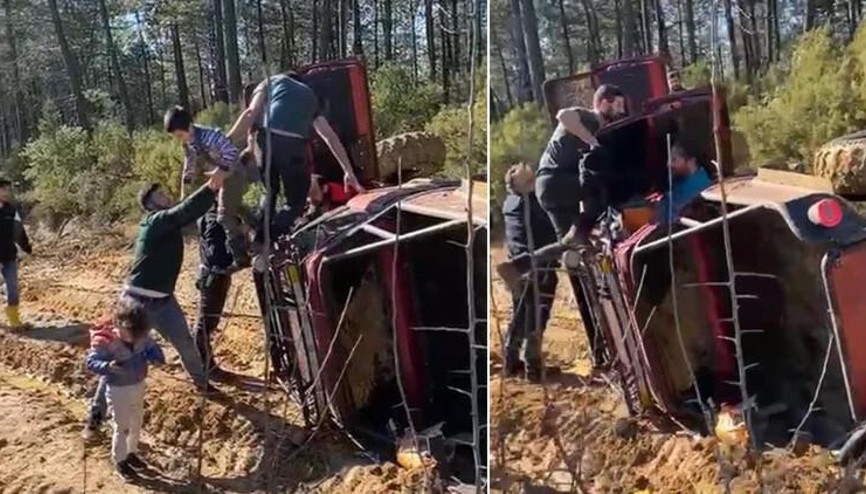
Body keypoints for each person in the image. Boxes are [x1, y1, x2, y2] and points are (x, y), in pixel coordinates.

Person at [84, 172, 223, 438]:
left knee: (185, 344)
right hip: (137, 303)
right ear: (149, 203)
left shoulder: (167, 221)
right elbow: (185, 210)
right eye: (160, 195)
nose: (166, 197)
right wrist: (213, 185)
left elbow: (186, 212)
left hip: (164, 300)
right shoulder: (155, 221)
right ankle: (96, 415)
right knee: (120, 359)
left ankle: (202, 384)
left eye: (165, 193)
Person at [226, 74, 364, 243]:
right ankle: (271, 235)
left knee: (268, 191)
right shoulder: (310, 96)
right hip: (293, 144)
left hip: (266, 138)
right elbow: (330, 137)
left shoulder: (268, 82)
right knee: (295, 202)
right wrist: (348, 171)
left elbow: (250, 113)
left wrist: (227, 139)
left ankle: (260, 234)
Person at [85, 298, 165, 481]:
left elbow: (153, 349)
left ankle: (132, 453)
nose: (136, 338)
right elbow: (91, 362)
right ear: (118, 325)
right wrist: (107, 366)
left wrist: (157, 358)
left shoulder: (141, 335)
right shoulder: (105, 342)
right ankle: (120, 460)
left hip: (138, 384)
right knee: (122, 426)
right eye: (131, 334)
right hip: (117, 389)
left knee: (136, 421)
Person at [165, 106, 250, 270]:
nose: (180, 139)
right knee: (235, 209)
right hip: (222, 178)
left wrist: (221, 171)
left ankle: (241, 257)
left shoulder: (210, 137)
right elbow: (189, 166)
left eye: (180, 135)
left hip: (233, 173)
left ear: (189, 127)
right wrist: (184, 194)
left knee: (224, 216)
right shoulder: (190, 143)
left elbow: (231, 152)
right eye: (177, 137)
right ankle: (258, 228)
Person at [501, 164, 559, 382]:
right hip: (534, 266)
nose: (534, 181)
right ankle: (533, 369)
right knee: (536, 314)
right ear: (519, 185)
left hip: (521, 266)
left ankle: (511, 360)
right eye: (529, 180)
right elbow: (537, 233)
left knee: (521, 314)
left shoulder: (512, 202)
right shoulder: (526, 204)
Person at [193, 203, 235, 379]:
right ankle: (205, 367)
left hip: (213, 275)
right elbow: (214, 252)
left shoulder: (209, 216)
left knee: (207, 323)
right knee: (205, 325)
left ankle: (206, 365)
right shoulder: (213, 219)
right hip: (214, 276)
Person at [0, 179, 32, 329]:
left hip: (8, 256)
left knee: (12, 289)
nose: (6, 192)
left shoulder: (11, 210)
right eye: (3, 189)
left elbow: (19, 231)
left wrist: (26, 248)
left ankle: (14, 321)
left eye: (6, 189)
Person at [656, 142, 713, 222]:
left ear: (691, 161)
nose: (668, 164)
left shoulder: (700, 186)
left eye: (673, 160)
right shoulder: (677, 178)